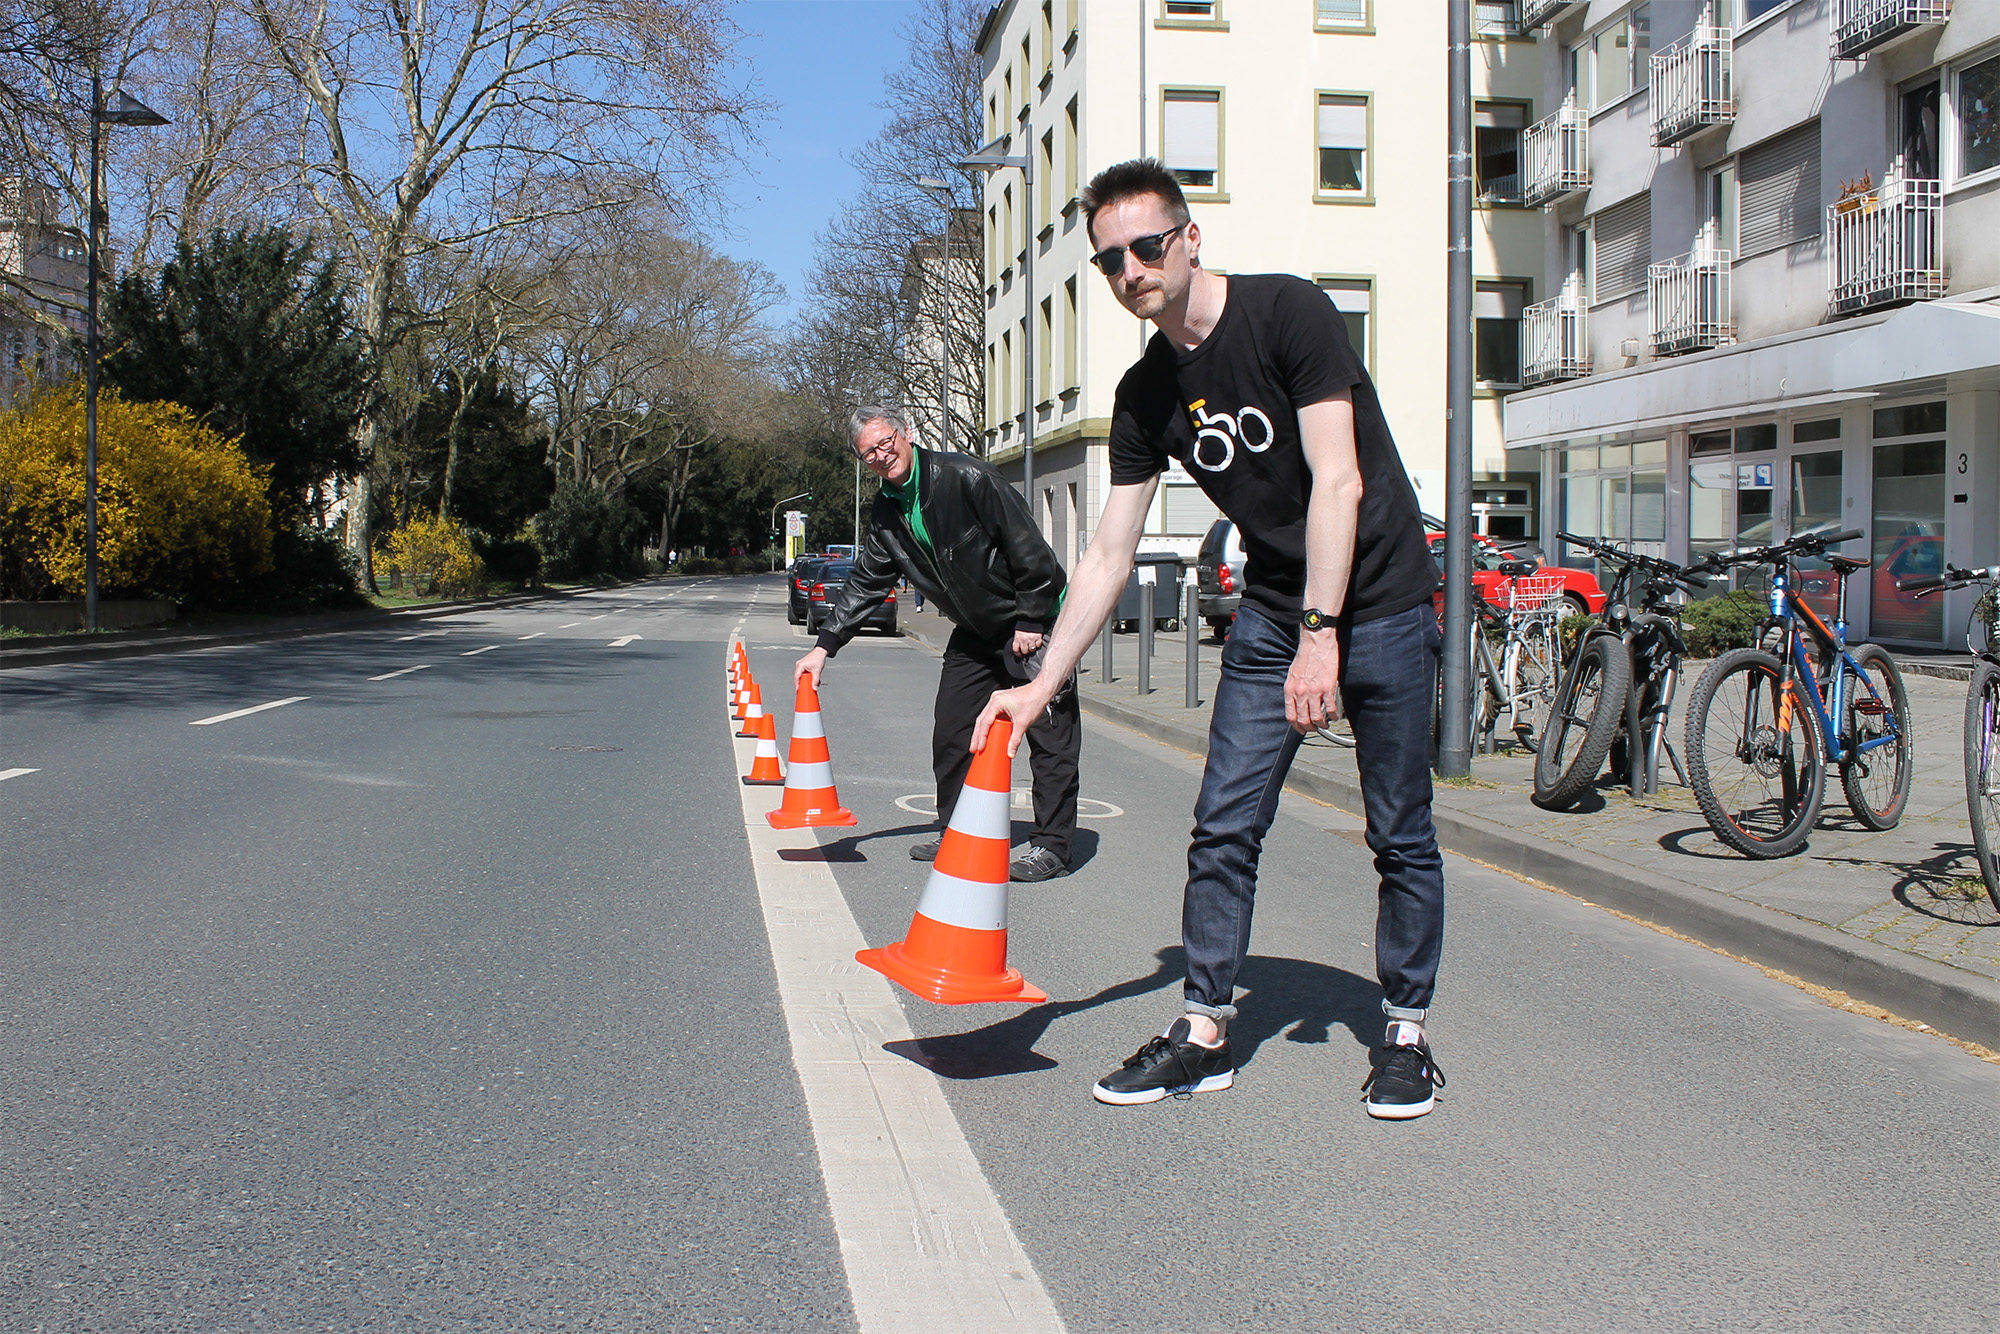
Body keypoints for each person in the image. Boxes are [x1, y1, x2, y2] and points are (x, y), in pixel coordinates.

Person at [973, 159, 1448, 1118]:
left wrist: (1325, 635)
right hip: (1276, 612)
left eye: (1146, 246)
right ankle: (1204, 1029)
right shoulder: (1147, 393)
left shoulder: (1290, 316)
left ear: (1190, 240)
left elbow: (1340, 482)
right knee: (1224, 823)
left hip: (1384, 599)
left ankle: (1403, 1029)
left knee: (1398, 831)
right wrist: (1039, 688)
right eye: (1110, 260)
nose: (1130, 270)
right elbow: (1107, 557)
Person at [794, 406, 1081, 883]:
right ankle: (956, 827)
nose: (882, 455)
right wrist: (824, 646)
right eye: (870, 453)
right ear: (862, 462)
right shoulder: (887, 512)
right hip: (976, 629)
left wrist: (1032, 616)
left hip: (1034, 621)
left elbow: (1026, 545)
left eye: (886, 442)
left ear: (905, 434)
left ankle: (1052, 845)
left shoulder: (965, 476)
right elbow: (868, 581)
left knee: (1049, 735)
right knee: (951, 731)